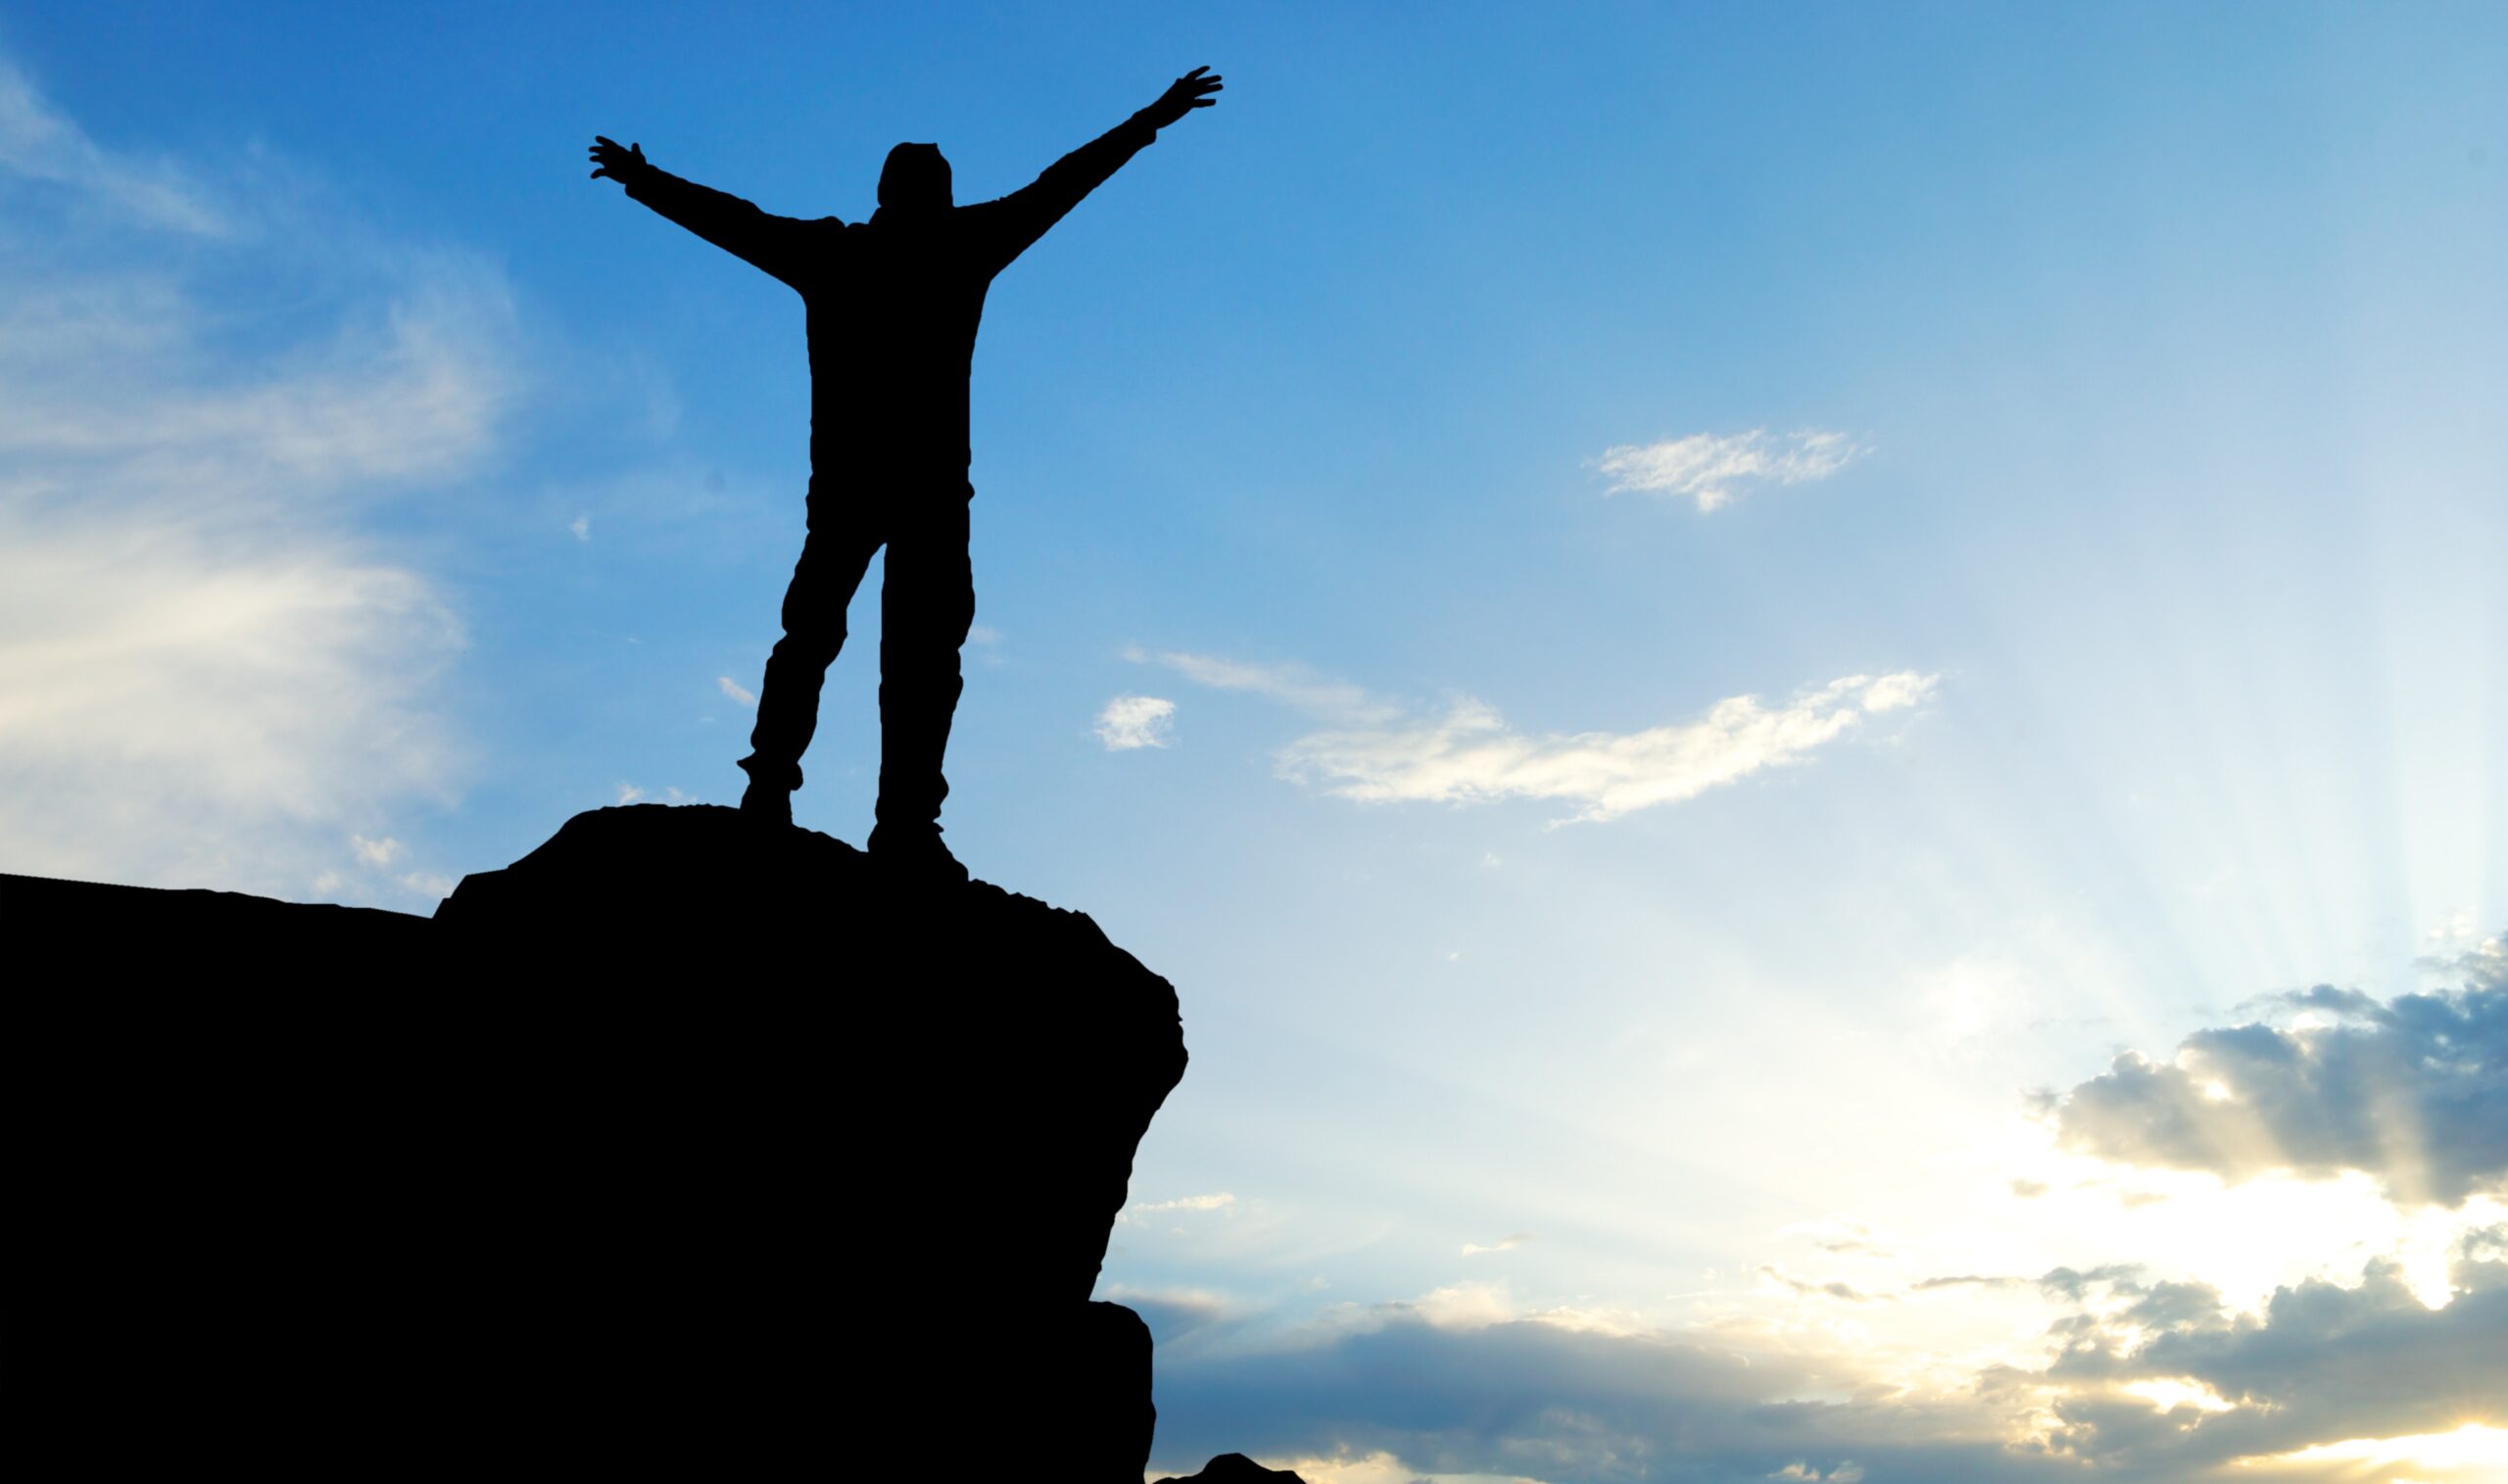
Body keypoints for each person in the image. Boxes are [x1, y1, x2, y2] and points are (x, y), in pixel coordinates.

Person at [590, 67, 1223, 878]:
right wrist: (1150, 118)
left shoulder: (855, 253)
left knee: (872, 648)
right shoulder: (943, 247)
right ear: (928, 197)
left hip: (888, 490)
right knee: (877, 649)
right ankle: (861, 810)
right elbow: (1061, 183)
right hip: (902, 490)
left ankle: (841, 804)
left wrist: (644, 181)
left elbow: (738, 221)